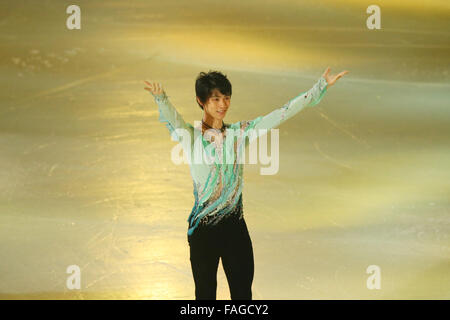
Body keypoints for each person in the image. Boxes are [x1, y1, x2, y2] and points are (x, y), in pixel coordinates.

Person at [143, 67, 349, 300]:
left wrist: (318, 88)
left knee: (242, 297)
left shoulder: (240, 134)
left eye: (227, 98)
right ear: (201, 101)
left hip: (235, 233)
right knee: (205, 299)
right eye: (216, 98)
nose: (223, 104)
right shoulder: (191, 137)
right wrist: (161, 98)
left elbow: (281, 113)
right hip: (203, 234)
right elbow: (173, 118)